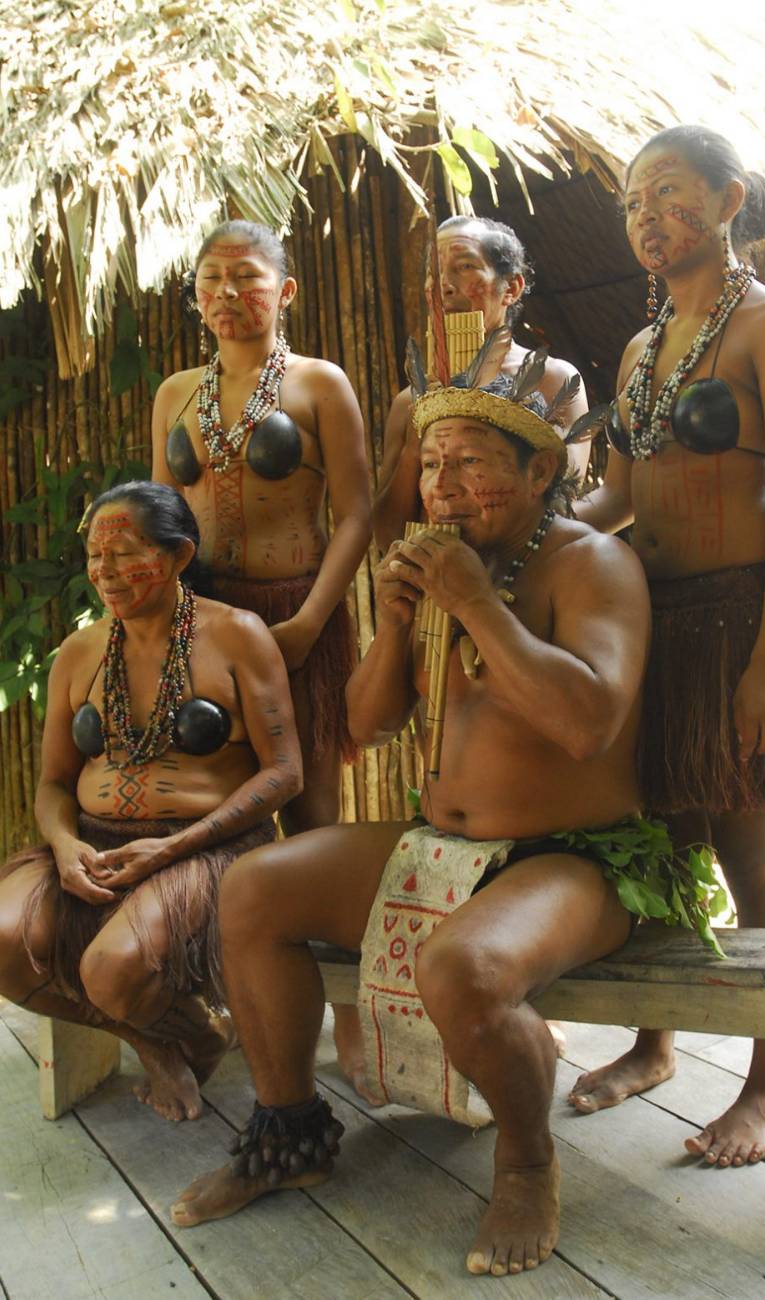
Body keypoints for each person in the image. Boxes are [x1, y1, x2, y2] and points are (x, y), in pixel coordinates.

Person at [169, 374, 722, 1275]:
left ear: (539, 472)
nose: (443, 486)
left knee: (462, 966)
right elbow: (366, 723)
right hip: (445, 844)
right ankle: (289, 1131)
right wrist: (395, 625)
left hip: (579, 859)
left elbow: (586, 724)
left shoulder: (593, 564)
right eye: (431, 465)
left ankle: (527, 1161)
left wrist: (475, 605)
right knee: (256, 888)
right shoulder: (443, 567)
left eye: (470, 463)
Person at [570, 125, 765, 1168]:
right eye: (633, 203)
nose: (648, 217)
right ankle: (656, 1044)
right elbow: (616, 495)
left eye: (669, 193)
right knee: (662, 844)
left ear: (730, 198)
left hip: (744, 621)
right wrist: (532, 529)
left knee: (750, 853)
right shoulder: (640, 350)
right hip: (655, 625)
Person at [0, 481, 301, 1121]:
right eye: (94, 556)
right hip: (93, 844)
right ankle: (164, 1039)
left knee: (113, 971)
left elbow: (284, 774)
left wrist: (173, 848)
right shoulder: (79, 652)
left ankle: (191, 1029)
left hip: (205, 849)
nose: (104, 572)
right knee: (1, 940)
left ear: (179, 555)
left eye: (124, 554)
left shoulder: (237, 636)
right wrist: (65, 845)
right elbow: (53, 783)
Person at [151, 219, 371, 1092]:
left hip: (294, 617)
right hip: (207, 624)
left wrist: (313, 622)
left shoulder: (319, 384)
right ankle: (235, 1005)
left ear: (285, 291)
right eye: (211, 278)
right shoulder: (177, 394)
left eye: (246, 277)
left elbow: (357, 513)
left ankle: (350, 1021)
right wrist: (170, 632)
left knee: (313, 818)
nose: (227, 293)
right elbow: (163, 520)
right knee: (214, 811)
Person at [373, 215, 589, 551]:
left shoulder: (553, 381)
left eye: (464, 267)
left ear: (511, 289)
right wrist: (418, 439)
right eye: (433, 272)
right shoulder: (408, 402)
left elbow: (563, 505)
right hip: (435, 580)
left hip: (527, 575)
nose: (443, 285)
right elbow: (388, 534)